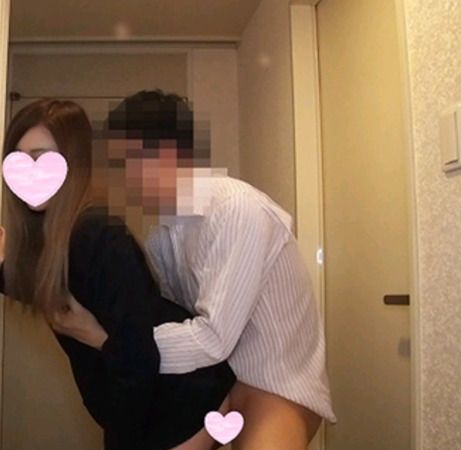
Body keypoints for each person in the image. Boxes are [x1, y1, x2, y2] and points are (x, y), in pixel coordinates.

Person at [48, 90, 337, 450]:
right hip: (215, 381)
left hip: (276, 384)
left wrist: (109, 341)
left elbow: (213, 339)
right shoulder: (163, 236)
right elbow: (165, 320)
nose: (124, 178)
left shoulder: (237, 210)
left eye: (128, 162)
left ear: (168, 154)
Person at [0, 98, 236, 450]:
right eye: (19, 159)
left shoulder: (97, 234)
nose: (31, 172)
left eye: (42, 157)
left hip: (180, 402)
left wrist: (119, 441)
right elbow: (63, 296)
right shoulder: (61, 237)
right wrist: (6, 269)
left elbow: (137, 355)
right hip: (150, 400)